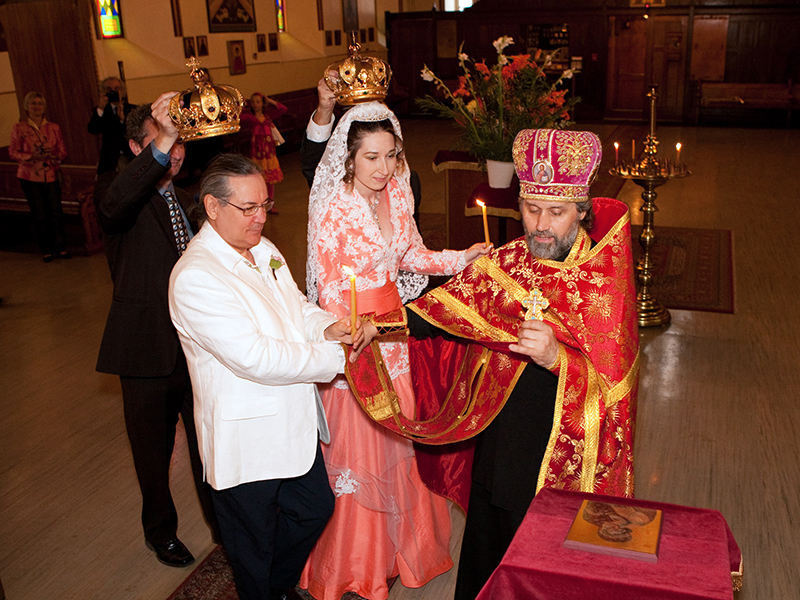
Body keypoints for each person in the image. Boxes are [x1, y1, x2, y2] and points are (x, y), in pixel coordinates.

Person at [347, 128, 640, 600]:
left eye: (557, 212)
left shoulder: (604, 282)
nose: (540, 224)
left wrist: (556, 357)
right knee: (487, 547)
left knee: (540, 563)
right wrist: (376, 329)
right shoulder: (510, 260)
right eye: (531, 208)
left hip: (554, 453)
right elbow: (441, 312)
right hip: (499, 436)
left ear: (582, 211)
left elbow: (616, 386)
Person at [300, 101, 490, 600]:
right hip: (357, 336)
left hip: (396, 334)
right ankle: (357, 563)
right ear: (349, 159)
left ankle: (406, 550)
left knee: (403, 444)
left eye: (390, 156)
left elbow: (409, 254)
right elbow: (328, 286)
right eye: (372, 159)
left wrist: (459, 258)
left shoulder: (396, 194)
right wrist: (352, 327)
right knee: (363, 450)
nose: (384, 169)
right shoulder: (333, 209)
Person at [168, 153, 368, 600]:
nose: (261, 218)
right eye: (248, 208)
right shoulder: (195, 277)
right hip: (247, 441)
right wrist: (336, 355)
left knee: (314, 510)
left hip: (292, 423)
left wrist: (326, 325)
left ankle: (274, 590)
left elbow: (295, 304)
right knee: (252, 549)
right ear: (213, 207)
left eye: (265, 205)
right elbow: (254, 357)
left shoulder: (263, 249)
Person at [94, 93, 219, 568]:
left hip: (198, 348)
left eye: (180, 140)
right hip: (145, 349)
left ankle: (223, 527)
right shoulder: (116, 191)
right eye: (164, 141)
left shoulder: (190, 200)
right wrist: (161, 143)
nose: (177, 151)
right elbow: (115, 206)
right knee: (153, 453)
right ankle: (159, 531)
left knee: (210, 445)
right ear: (135, 146)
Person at [10, 91, 69, 262]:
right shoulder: (19, 128)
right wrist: (30, 156)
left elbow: (62, 151)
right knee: (39, 213)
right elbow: (13, 152)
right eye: (33, 103)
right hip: (29, 175)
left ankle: (61, 247)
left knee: (56, 212)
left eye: (40, 104)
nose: (37, 107)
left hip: (50, 173)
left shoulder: (53, 127)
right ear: (27, 107)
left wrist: (55, 155)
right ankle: (46, 249)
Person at [240, 92, 286, 214]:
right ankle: (259, 203)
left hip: (269, 152)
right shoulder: (250, 118)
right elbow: (237, 116)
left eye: (258, 101)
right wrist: (242, 105)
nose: (255, 104)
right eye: (253, 102)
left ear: (262, 103)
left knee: (270, 180)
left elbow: (283, 109)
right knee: (258, 178)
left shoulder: (268, 116)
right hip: (257, 153)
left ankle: (270, 203)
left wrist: (269, 100)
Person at [87, 76, 135, 176]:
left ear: (122, 90)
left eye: (116, 89)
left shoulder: (131, 109)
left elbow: (134, 132)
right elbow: (93, 129)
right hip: (109, 161)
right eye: (109, 89)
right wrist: (100, 108)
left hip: (130, 158)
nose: (113, 92)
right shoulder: (102, 111)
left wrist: (122, 119)